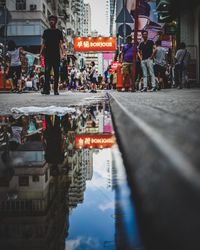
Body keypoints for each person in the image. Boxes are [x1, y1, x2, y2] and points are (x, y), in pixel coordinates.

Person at [40, 15, 65, 95]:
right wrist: (40, 53)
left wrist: (63, 53)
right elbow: (43, 43)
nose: (51, 21)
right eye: (50, 20)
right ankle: (46, 90)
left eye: (53, 20)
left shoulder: (58, 32)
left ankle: (55, 90)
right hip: (47, 55)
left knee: (56, 73)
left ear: (55, 22)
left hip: (56, 55)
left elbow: (61, 44)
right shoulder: (46, 32)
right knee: (47, 72)